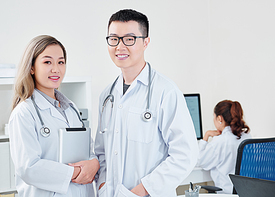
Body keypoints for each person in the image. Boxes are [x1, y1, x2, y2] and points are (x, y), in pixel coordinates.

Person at [94, 9, 198, 197]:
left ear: (145, 42)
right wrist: (102, 186)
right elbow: (102, 153)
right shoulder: (107, 96)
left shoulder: (166, 91)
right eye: (114, 39)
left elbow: (185, 155)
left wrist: (139, 192)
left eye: (129, 39)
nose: (120, 46)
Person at [8, 35, 100, 197]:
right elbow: (28, 167)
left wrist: (94, 163)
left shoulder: (70, 109)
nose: (56, 69)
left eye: (61, 62)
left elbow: (87, 150)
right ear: (32, 67)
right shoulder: (24, 113)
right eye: (47, 62)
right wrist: (75, 172)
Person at [197, 100, 251, 194]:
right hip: (245, 192)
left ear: (219, 118)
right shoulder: (246, 136)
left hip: (226, 194)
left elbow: (200, 161)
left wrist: (206, 136)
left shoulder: (220, 141)